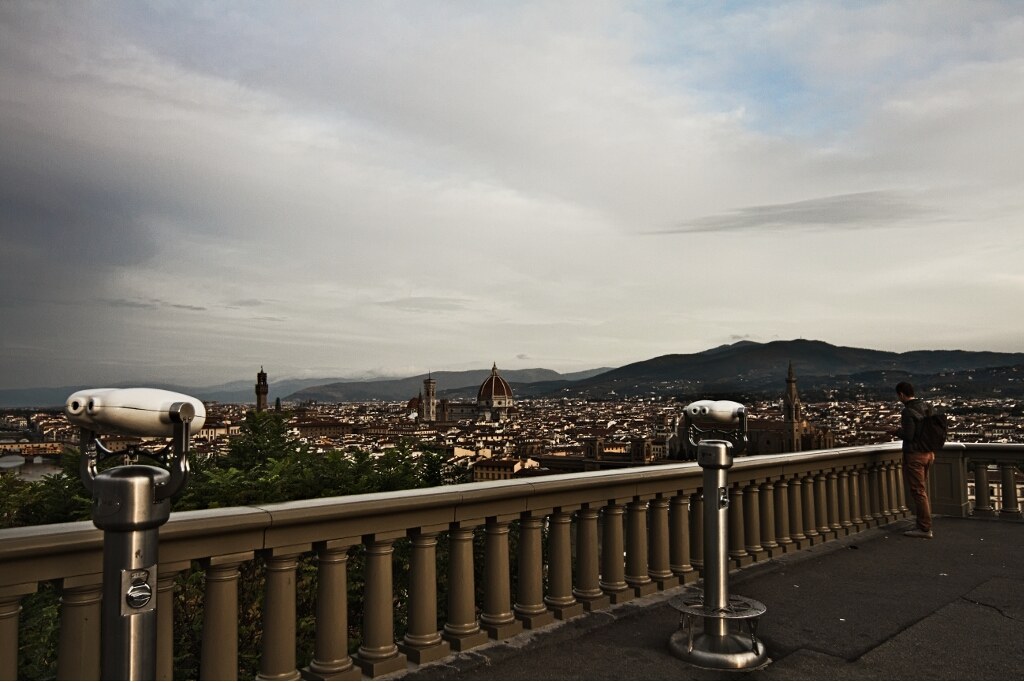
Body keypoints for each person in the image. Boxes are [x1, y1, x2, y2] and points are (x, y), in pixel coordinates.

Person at [896, 381, 935, 539]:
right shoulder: (926, 406)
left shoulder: (908, 411)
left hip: (915, 455)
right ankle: (922, 524)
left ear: (901, 394)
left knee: (918, 492)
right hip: (929, 453)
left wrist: (895, 431)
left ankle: (924, 528)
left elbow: (908, 436)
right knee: (922, 491)